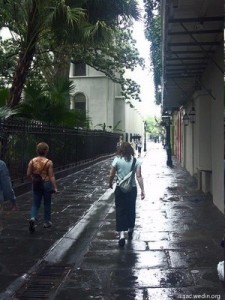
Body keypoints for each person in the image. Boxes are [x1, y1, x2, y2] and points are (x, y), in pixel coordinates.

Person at [109, 142, 145, 247]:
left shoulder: (117, 160)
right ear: (131, 150)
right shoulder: (136, 161)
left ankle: (121, 235)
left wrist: (110, 183)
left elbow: (111, 174)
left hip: (120, 188)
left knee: (120, 210)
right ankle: (130, 229)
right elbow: (139, 176)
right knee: (131, 208)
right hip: (132, 189)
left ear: (121, 150)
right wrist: (143, 190)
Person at [27, 142, 58, 232]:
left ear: (37, 150)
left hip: (36, 183)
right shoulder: (49, 162)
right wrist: (55, 187)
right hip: (46, 183)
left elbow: (28, 174)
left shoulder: (32, 161)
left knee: (35, 203)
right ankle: (47, 222)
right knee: (47, 203)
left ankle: (32, 218)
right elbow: (51, 176)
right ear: (46, 151)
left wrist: (32, 180)